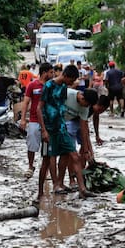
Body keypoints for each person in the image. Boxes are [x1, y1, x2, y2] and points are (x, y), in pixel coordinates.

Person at [38, 64, 93, 199]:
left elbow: (62, 108)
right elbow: (39, 108)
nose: (72, 83)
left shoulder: (64, 88)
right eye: (71, 80)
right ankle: (42, 191)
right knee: (48, 159)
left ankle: (82, 189)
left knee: (73, 155)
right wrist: (43, 130)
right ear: (67, 76)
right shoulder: (49, 86)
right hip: (49, 129)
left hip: (62, 128)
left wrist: (86, 148)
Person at [20, 63, 53, 180]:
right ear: (44, 73)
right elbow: (26, 103)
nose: (52, 74)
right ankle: (30, 166)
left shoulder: (52, 86)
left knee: (48, 145)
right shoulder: (32, 85)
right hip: (34, 119)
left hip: (48, 120)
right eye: (50, 72)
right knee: (31, 144)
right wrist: (23, 119)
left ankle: (47, 169)